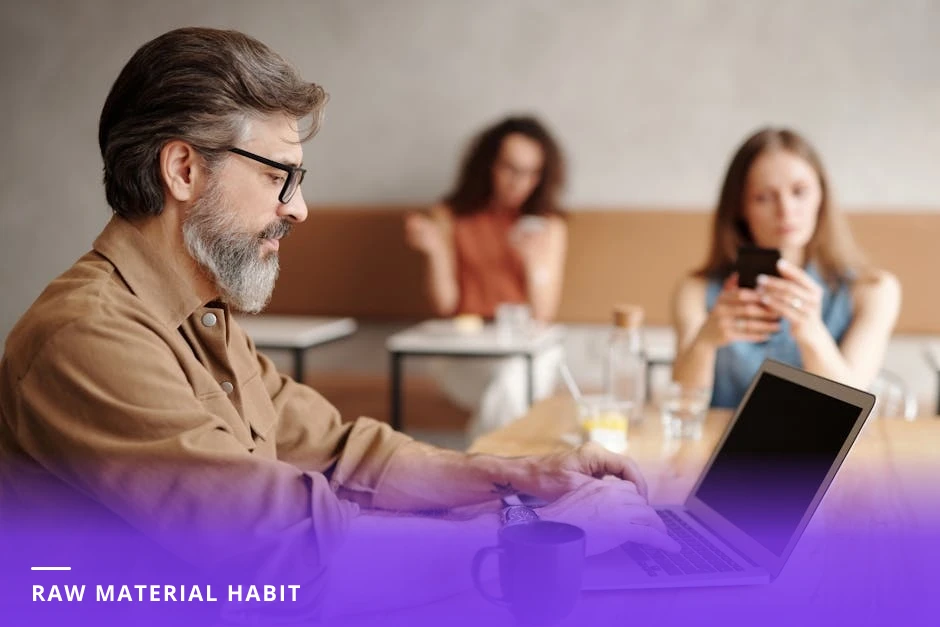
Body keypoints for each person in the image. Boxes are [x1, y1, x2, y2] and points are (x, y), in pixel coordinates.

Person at [0, 28, 675, 622]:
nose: (299, 208)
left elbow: (341, 449)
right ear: (182, 169)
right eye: (279, 178)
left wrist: (520, 477)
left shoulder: (202, 316)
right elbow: (288, 551)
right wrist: (541, 533)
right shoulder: (87, 338)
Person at [671, 127, 901, 408]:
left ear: (822, 197)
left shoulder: (874, 290)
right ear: (740, 207)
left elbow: (849, 406)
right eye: (764, 197)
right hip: (718, 449)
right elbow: (683, 409)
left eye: (800, 192)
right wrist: (705, 342)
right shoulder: (696, 290)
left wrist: (811, 332)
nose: (786, 210)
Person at [404, 116, 568, 436]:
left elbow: (544, 315)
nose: (519, 182)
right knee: (510, 385)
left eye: (532, 173)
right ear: (487, 165)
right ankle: (506, 477)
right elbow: (445, 306)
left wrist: (535, 264)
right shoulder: (449, 216)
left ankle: (482, 477)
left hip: (527, 349)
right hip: (467, 351)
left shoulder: (548, 225)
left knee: (511, 379)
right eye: (510, 169)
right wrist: (436, 251)